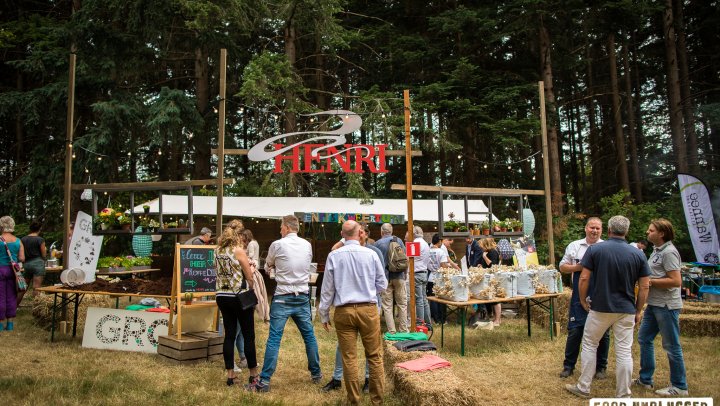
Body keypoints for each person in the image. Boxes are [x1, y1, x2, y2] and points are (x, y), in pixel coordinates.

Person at [565, 215, 650, 399]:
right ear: (626, 232)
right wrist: (638, 310)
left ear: (608, 230)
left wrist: (581, 300)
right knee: (624, 352)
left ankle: (584, 387)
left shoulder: (596, 250)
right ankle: (623, 394)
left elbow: (584, 278)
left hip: (600, 308)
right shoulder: (638, 254)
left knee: (589, 344)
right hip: (626, 309)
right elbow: (644, 286)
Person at [247, 215, 322, 392]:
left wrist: (271, 269)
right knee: (309, 336)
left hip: (283, 295)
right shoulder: (307, 245)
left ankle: (264, 381)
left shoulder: (277, 244)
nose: (280, 230)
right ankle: (316, 374)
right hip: (302, 295)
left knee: (274, 338)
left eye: (281, 227)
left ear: (287, 228)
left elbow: (268, 265)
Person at [319, 220, 387, 406]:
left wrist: (324, 314)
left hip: (344, 310)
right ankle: (377, 401)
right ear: (360, 233)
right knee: (374, 356)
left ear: (342, 234)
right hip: (368, 309)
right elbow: (383, 284)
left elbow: (327, 290)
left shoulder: (334, 255)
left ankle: (354, 401)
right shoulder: (371, 255)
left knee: (349, 357)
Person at [634, 219, 689, 396]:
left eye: (651, 230)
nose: (647, 232)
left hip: (666, 306)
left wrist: (650, 282)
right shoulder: (657, 251)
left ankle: (680, 387)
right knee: (644, 338)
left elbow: (676, 281)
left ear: (661, 234)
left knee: (671, 345)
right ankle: (645, 379)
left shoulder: (669, 252)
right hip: (654, 304)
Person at [558, 217, 610, 379]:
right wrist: (580, 267)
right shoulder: (575, 246)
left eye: (598, 228)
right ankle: (568, 366)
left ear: (602, 231)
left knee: (604, 333)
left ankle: (601, 367)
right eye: (591, 227)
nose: (594, 231)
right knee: (575, 330)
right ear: (585, 228)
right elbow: (562, 267)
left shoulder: (606, 247)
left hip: (601, 294)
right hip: (578, 294)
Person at [214, 219, 259, 387]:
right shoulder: (238, 251)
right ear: (239, 235)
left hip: (222, 296)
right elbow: (248, 275)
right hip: (239, 296)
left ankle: (230, 375)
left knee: (230, 335)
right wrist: (252, 272)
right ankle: (254, 374)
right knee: (248, 335)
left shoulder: (217, 250)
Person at [374, 223, 409, 334]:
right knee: (402, 304)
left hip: (385, 278)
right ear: (391, 231)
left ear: (381, 232)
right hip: (399, 276)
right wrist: (405, 274)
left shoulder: (377, 244)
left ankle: (392, 331)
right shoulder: (398, 241)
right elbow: (405, 259)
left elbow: (376, 263)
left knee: (387, 306)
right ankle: (403, 330)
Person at [0, 216, 23, 332]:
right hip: (13, 271)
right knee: (11, 296)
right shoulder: (18, 241)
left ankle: (0, 324)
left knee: (0, 297)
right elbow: (22, 258)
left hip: (0, 269)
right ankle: (10, 324)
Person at [428, 234, 453, 324]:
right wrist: (448, 266)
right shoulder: (440, 252)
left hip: (431, 277)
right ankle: (442, 319)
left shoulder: (428, 251)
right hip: (439, 278)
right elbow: (443, 266)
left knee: (433, 299)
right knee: (441, 300)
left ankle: (435, 319)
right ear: (439, 242)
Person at [20, 221, 46, 302]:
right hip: (38, 264)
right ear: (39, 229)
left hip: (27, 264)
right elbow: (44, 254)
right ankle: (36, 308)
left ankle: (14, 306)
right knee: (36, 287)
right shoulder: (40, 239)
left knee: (23, 287)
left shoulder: (23, 239)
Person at [478, 238, 502, 326]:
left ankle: (498, 320)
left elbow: (493, 265)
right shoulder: (486, 252)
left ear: (486, 245)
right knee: (489, 299)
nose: (481, 248)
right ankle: (494, 318)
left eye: (482, 246)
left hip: (493, 278)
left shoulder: (493, 252)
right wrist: (480, 265)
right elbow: (484, 264)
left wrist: (485, 257)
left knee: (495, 300)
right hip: (486, 278)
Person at [411, 225, 431, 327]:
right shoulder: (425, 244)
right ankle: (428, 322)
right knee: (424, 299)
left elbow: (410, 258)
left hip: (417, 273)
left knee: (419, 300)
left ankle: (420, 323)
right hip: (424, 272)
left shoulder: (415, 243)